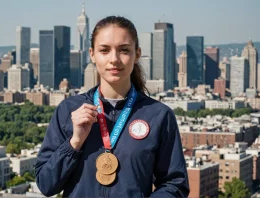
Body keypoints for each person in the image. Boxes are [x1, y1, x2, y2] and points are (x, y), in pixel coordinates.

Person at [35, 16, 189, 197]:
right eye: (104, 50)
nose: (114, 59)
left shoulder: (159, 115)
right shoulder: (68, 110)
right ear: (92, 54)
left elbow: (174, 184)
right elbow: (46, 185)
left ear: (137, 54)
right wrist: (74, 143)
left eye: (124, 50)